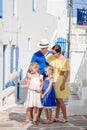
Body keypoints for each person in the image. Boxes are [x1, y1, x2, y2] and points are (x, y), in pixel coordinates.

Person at [46, 45, 70, 123]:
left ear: (59, 52)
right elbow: (48, 58)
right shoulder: (53, 57)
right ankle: (56, 117)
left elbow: (66, 73)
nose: (52, 54)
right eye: (52, 52)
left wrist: (63, 84)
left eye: (54, 53)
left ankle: (65, 117)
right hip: (54, 80)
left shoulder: (64, 61)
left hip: (60, 81)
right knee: (57, 100)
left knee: (60, 100)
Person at [29, 39, 51, 121]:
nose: (42, 49)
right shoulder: (36, 55)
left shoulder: (51, 55)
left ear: (47, 47)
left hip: (47, 79)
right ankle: (32, 116)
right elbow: (31, 66)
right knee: (34, 97)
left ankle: (37, 116)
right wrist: (29, 77)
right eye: (41, 48)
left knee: (42, 98)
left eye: (44, 48)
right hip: (37, 78)